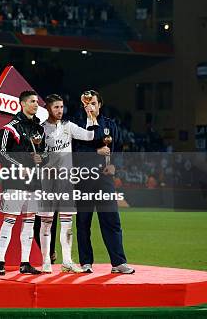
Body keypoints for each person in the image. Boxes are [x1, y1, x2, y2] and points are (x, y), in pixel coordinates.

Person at [72, 90, 135, 274]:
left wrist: (115, 166)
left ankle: (118, 263)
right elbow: (72, 154)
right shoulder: (76, 126)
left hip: (105, 179)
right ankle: (86, 262)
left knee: (112, 220)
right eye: (87, 103)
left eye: (93, 103)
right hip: (83, 178)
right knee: (83, 222)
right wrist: (95, 153)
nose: (90, 106)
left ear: (100, 105)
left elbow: (119, 150)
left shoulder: (110, 125)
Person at [35, 94, 98, 274]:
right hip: (47, 181)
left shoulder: (68, 127)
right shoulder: (40, 130)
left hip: (66, 181)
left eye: (62, 107)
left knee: (67, 223)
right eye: (56, 107)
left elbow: (89, 135)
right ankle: (46, 261)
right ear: (47, 108)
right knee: (46, 223)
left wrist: (90, 114)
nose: (60, 111)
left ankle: (68, 261)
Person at [0, 90, 46, 275]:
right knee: (9, 220)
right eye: (32, 101)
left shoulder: (39, 129)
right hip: (15, 180)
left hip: (34, 181)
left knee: (30, 221)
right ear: (22, 104)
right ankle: (0, 261)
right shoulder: (10, 127)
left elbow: (44, 152)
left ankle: (25, 262)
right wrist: (19, 166)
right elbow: (0, 153)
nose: (36, 105)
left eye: (36, 102)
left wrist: (41, 158)